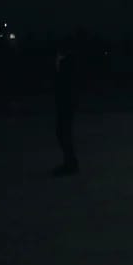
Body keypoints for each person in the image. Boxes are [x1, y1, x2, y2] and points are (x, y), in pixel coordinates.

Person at [53, 47, 78, 176]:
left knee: (63, 133)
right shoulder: (65, 62)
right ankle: (70, 162)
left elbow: (65, 83)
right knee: (63, 133)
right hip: (66, 102)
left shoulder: (66, 63)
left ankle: (70, 163)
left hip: (66, 102)